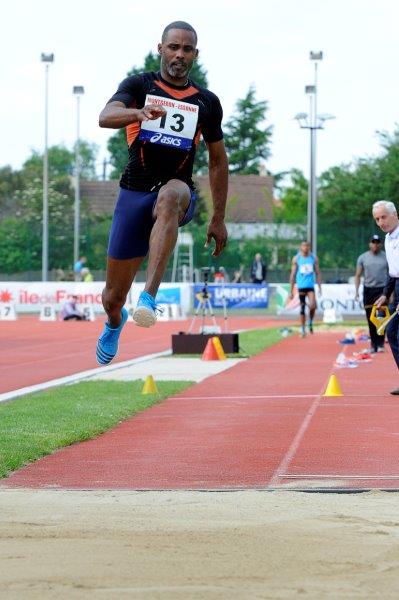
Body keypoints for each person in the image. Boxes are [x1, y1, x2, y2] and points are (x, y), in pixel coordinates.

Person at [96, 21, 228, 365]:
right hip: (133, 192)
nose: (179, 55)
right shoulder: (139, 85)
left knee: (170, 196)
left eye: (187, 50)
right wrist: (137, 113)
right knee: (111, 298)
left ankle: (149, 298)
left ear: (195, 55)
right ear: (161, 49)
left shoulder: (207, 102)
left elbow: (217, 161)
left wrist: (218, 217)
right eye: (173, 47)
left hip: (178, 188)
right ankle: (116, 320)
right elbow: (105, 115)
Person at [373, 201, 399, 394]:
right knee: (391, 333)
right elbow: (393, 272)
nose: (381, 222)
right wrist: (385, 294)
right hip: (396, 288)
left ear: (395, 215)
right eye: (377, 219)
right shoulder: (389, 239)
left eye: (383, 217)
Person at [354, 234, 388, 353]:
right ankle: (373, 344)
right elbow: (358, 275)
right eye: (373, 242)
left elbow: (392, 274)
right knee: (370, 318)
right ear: (369, 244)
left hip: (382, 290)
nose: (375, 244)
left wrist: (391, 292)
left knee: (381, 317)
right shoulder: (363, 258)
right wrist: (357, 291)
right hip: (368, 289)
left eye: (377, 242)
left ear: (380, 244)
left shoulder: (386, 256)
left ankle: (380, 344)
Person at [289, 240, 322, 337]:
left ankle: (310, 321)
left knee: (313, 305)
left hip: (310, 286)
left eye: (307, 246)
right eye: (303, 246)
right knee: (302, 308)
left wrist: (320, 286)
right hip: (301, 286)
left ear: (309, 247)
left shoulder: (313, 258)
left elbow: (318, 272)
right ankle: (303, 328)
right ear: (300, 247)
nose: (305, 248)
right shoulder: (296, 258)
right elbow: (293, 274)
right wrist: (291, 290)